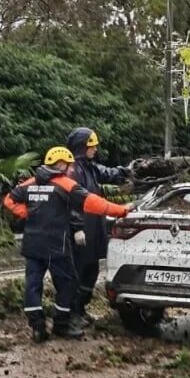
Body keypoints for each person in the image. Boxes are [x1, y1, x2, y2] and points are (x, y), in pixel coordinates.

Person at [3, 146, 129, 342]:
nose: (71, 169)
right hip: (57, 246)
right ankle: (61, 324)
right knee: (68, 283)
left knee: (33, 285)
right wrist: (122, 211)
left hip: (32, 245)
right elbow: (93, 203)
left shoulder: (30, 183)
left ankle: (37, 326)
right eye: (69, 166)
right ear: (61, 164)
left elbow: (9, 200)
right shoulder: (66, 185)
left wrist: (29, 213)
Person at [64, 127, 129, 324]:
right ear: (82, 147)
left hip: (94, 227)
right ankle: (71, 312)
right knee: (77, 271)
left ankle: (81, 307)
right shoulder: (73, 171)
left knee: (92, 270)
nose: (95, 149)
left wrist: (128, 170)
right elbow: (73, 201)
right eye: (91, 146)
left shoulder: (89, 167)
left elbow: (107, 173)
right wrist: (77, 228)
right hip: (81, 229)